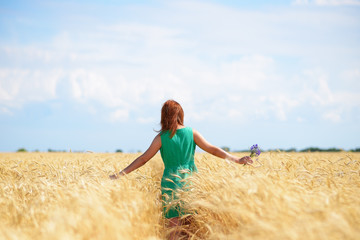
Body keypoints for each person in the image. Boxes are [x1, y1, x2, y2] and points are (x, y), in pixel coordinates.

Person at [109, 100, 253, 240]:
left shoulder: (161, 138)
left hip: (171, 183)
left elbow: (143, 159)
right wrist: (237, 160)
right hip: (191, 181)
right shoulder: (192, 133)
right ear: (180, 114)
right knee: (190, 228)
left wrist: (120, 174)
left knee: (174, 228)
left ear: (164, 116)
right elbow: (213, 149)